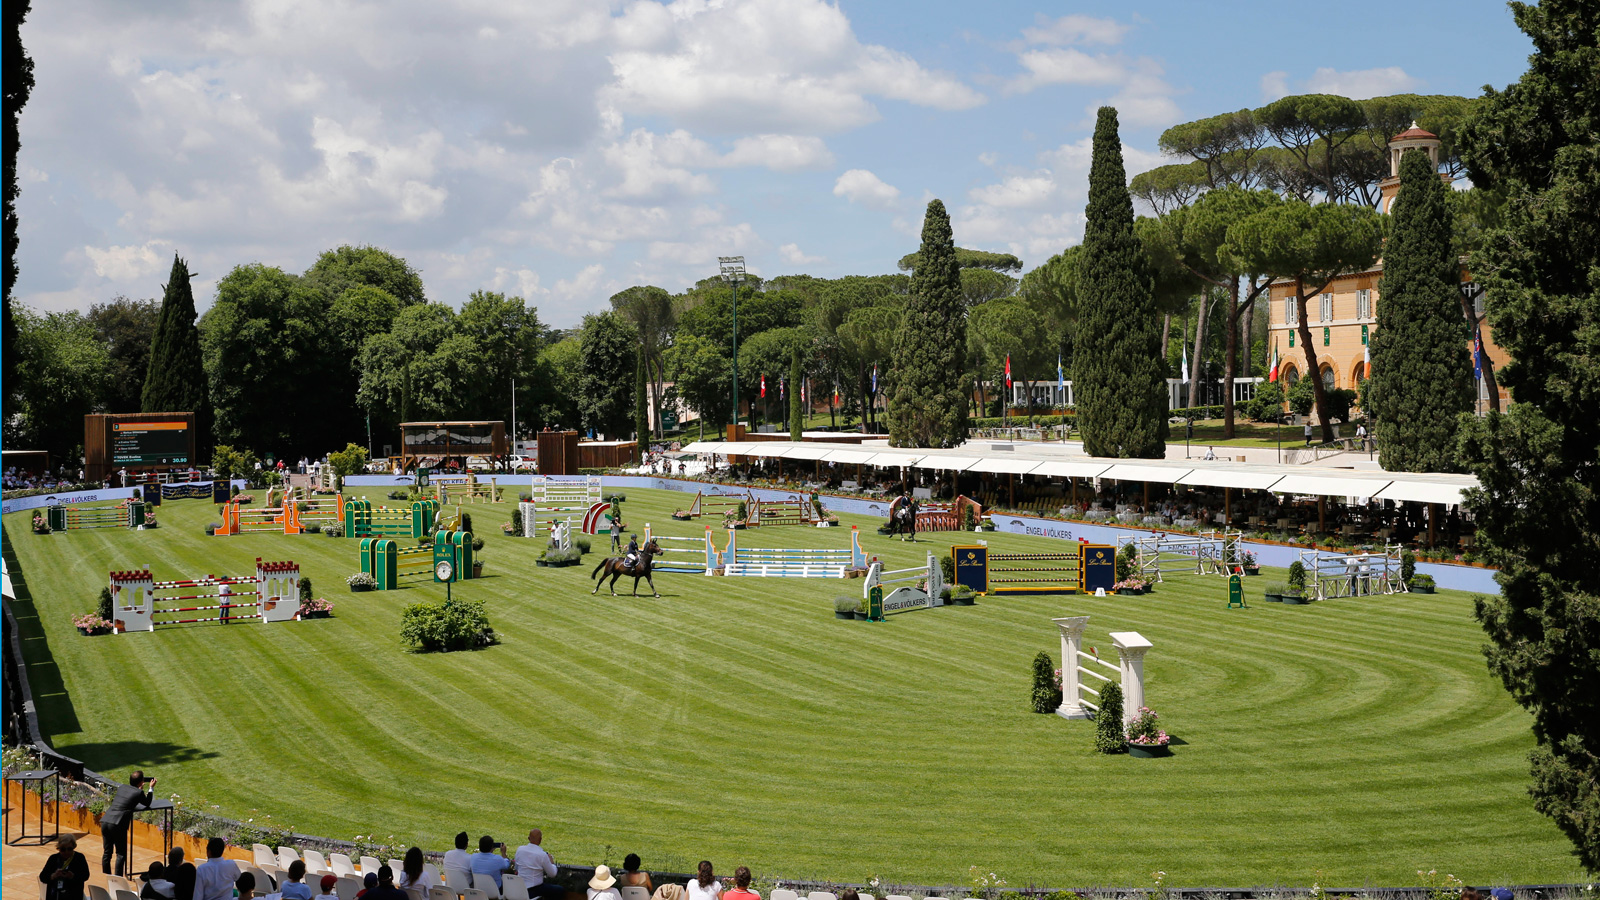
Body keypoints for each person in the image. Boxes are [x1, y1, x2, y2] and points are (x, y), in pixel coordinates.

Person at [100, 769, 156, 875]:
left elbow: (129, 797)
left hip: (105, 821)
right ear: (141, 782)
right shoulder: (139, 792)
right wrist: (151, 788)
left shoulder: (122, 787)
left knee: (107, 853)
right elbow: (147, 803)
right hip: (117, 824)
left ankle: (107, 878)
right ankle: (118, 881)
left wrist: (139, 789)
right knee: (120, 854)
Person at [513, 829, 561, 900]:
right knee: (559, 890)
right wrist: (551, 862)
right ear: (540, 840)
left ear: (529, 838)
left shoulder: (520, 850)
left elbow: (516, 868)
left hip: (519, 887)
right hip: (533, 889)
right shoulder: (542, 855)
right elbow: (552, 874)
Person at [39, 835, 90, 900]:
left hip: (73, 895)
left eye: (69, 849)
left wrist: (72, 876)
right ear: (59, 849)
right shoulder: (53, 858)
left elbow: (86, 875)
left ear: (74, 847)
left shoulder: (79, 858)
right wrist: (53, 876)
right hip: (55, 895)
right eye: (63, 849)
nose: (66, 852)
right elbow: (42, 877)